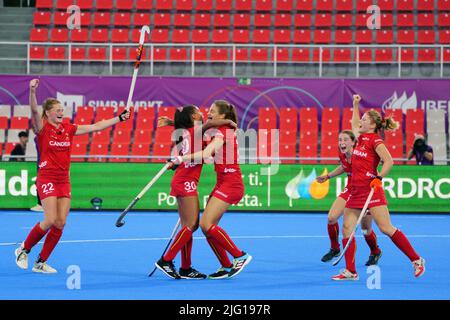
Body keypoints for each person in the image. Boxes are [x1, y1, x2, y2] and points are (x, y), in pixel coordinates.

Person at [14, 78, 131, 273]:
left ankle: (40, 262)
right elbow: (34, 111)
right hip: (47, 178)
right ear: (48, 112)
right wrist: (32, 93)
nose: (61, 112)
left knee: (61, 223)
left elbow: (96, 127)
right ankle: (23, 249)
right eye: (57, 110)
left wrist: (119, 118)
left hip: (63, 180)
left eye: (62, 109)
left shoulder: (68, 129)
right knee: (50, 219)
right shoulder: (42, 128)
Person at [332, 94, 425, 281]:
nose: (361, 121)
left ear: (372, 124)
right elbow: (354, 121)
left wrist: (379, 178)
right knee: (347, 229)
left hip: (371, 190)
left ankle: (416, 260)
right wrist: (356, 104)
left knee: (385, 228)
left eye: (365, 119)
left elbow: (389, 161)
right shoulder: (359, 137)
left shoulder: (375, 141)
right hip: (356, 191)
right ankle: (350, 271)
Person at [170, 100, 252, 279]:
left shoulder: (224, 132)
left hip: (231, 183)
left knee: (206, 224)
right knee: (207, 228)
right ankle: (226, 266)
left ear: (222, 116)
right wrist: (172, 123)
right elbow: (198, 131)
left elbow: (206, 154)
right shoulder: (217, 131)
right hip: (222, 182)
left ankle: (240, 255)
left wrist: (180, 159)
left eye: (213, 111)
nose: (208, 113)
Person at [154, 105, 237, 280]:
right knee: (192, 225)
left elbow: (203, 153)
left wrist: (171, 123)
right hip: (186, 182)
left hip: (183, 179)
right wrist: (229, 121)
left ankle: (185, 268)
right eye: (199, 111)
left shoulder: (187, 132)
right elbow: (210, 124)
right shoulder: (195, 130)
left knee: (187, 226)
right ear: (193, 116)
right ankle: (166, 260)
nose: (204, 113)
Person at [317, 130, 382, 266]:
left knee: (365, 229)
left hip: (365, 191)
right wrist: (328, 176)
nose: (342, 142)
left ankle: (375, 251)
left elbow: (378, 162)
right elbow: (343, 166)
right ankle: (335, 248)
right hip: (350, 189)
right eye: (340, 140)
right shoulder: (342, 154)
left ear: (353, 142)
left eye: (345, 139)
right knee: (331, 218)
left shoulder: (361, 155)